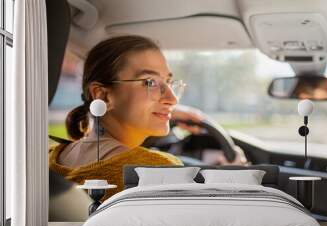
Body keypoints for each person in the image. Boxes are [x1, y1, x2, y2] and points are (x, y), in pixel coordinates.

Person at [49, 35, 247, 201]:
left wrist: (163, 112)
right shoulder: (156, 172)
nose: (172, 99)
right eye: (150, 82)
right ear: (102, 95)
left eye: (169, 82)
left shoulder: (50, 158)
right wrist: (233, 178)